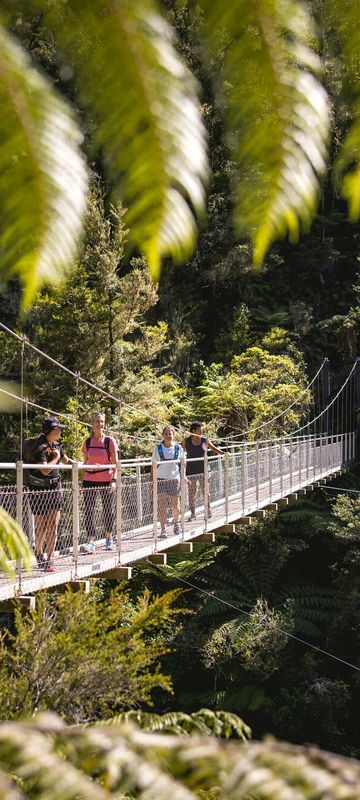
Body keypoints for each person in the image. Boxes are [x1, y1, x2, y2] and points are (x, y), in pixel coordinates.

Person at [26, 416, 71, 572]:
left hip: (55, 488)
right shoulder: (39, 447)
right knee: (42, 527)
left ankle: (49, 560)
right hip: (38, 490)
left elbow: (66, 461)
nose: (60, 431)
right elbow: (45, 470)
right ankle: (39, 554)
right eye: (58, 429)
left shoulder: (57, 445)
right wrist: (56, 457)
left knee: (53, 525)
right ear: (50, 430)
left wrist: (83, 466)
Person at [81, 412, 118, 552]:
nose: (100, 424)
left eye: (102, 421)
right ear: (92, 424)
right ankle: (91, 541)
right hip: (89, 479)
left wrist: (114, 480)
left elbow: (116, 463)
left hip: (106, 479)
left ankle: (109, 538)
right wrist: (82, 484)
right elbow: (85, 464)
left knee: (108, 509)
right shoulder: (87, 442)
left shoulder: (109, 441)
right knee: (89, 510)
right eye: (97, 421)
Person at [183, 422, 224, 521]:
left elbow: (213, 448)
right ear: (193, 431)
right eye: (199, 430)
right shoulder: (186, 441)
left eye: (201, 430)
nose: (201, 432)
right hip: (191, 471)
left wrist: (223, 453)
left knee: (205, 492)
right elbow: (179, 451)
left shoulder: (205, 440)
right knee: (192, 494)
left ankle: (208, 509)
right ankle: (193, 513)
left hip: (204, 470)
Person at [150, 426, 186, 539]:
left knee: (175, 505)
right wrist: (152, 480)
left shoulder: (178, 448)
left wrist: (183, 476)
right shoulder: (157, 449)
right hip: (160, 479)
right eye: (166, 434)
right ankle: (163, 529)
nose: (168, 436)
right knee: (162, 506)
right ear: (162, 435)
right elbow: (153, 465)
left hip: (174, 479)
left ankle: (176, 524)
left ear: (173, 435)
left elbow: (182, 464)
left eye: (170, 434)